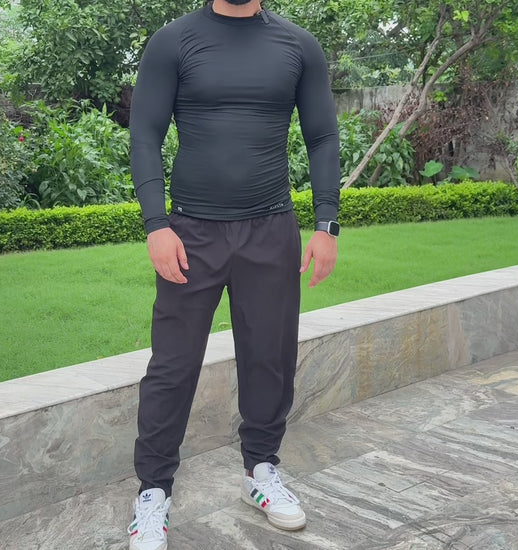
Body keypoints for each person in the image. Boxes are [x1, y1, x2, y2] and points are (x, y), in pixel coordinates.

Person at [127, 0, 340, 547]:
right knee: (173, 364)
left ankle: (260, 471)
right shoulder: (174, 41)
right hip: (190, 234)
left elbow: (321, 136)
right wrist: (155, 226)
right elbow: (145, 133)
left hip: (271, 231)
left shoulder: (298, 45)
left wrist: (327, 225)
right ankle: (153, 492)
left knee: (270, 356)